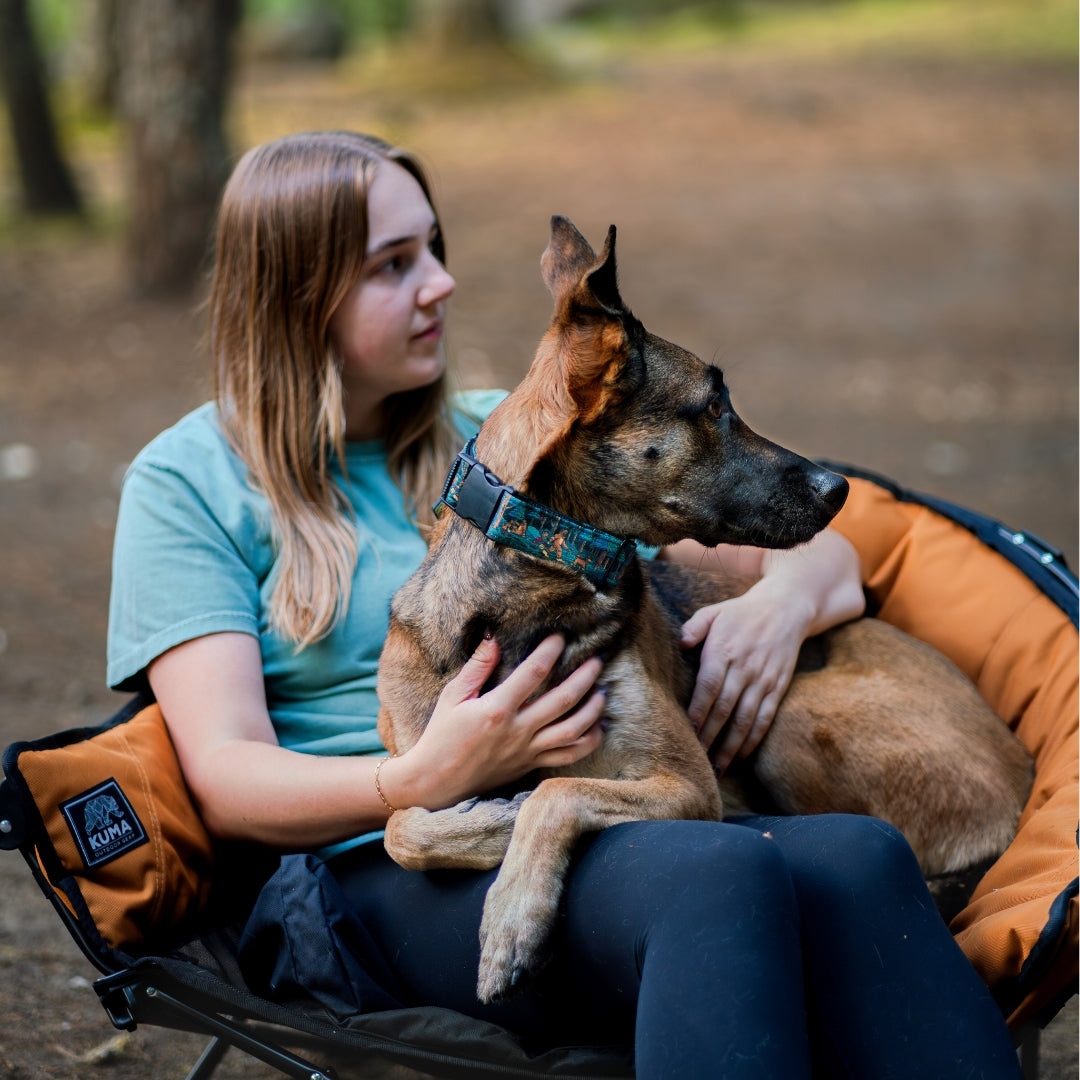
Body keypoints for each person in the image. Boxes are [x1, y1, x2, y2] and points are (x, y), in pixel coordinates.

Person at [107, 130, 1021, 1079]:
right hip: (372, 869)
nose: (440, 284)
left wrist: (779, 611)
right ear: (298, 295)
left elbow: (825, 549)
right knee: (720, 875)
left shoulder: (515, 430)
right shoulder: (188, 482)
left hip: (582, 813)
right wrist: (421, 775)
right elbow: (223, 776)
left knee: (862, 859)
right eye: (392, 266)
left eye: (433, 249)